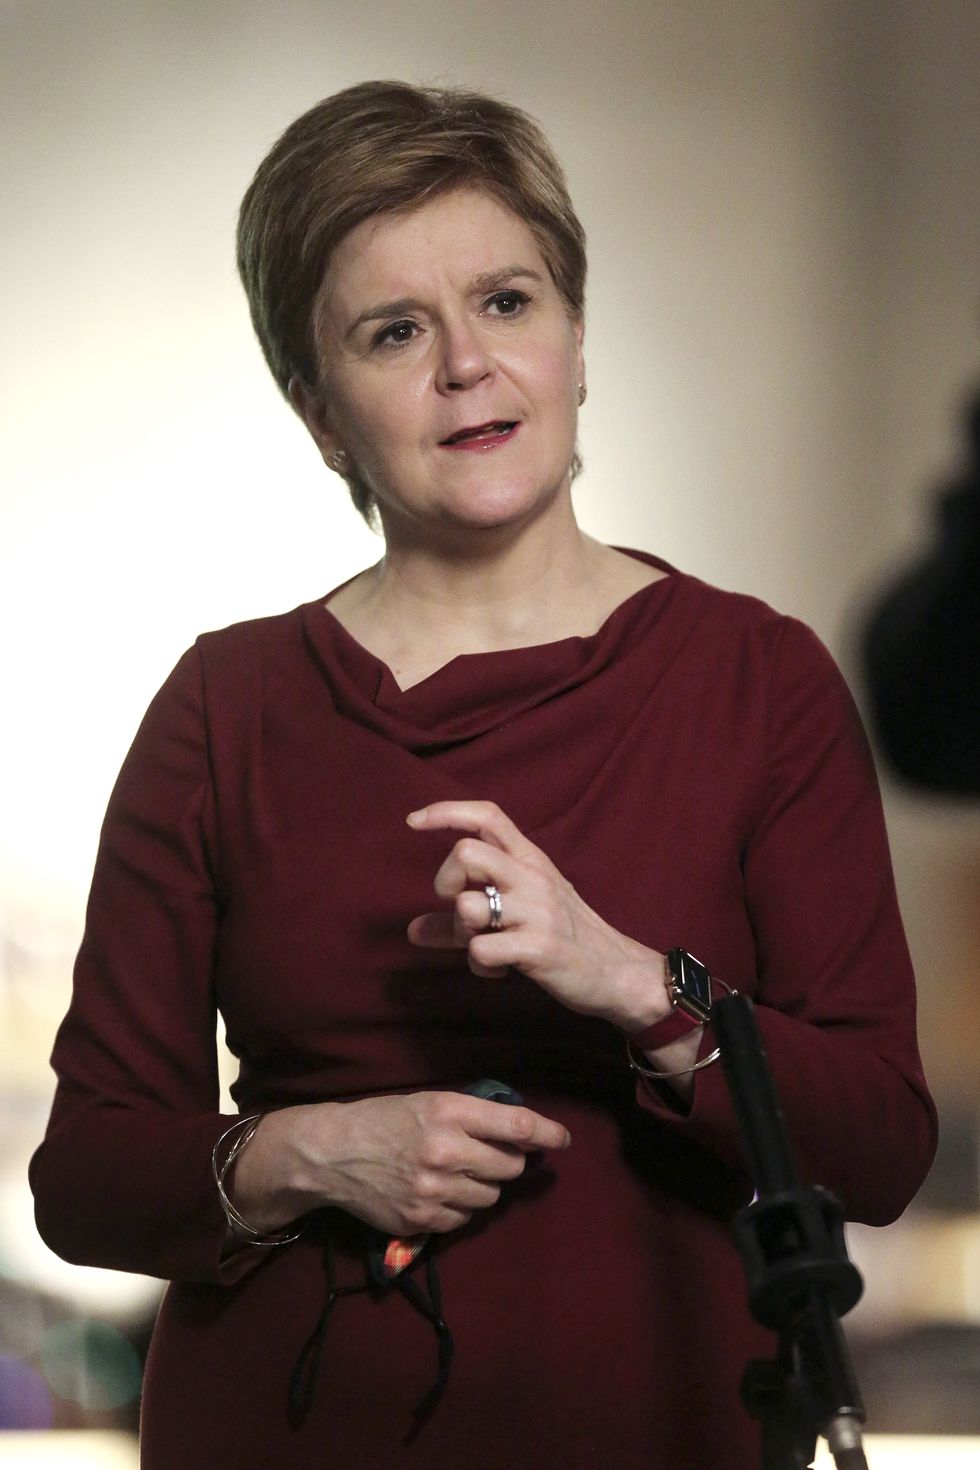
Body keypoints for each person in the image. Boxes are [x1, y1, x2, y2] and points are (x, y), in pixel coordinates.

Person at [30, 80, 937, 1469]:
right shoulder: (224, 706)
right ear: (322, 417)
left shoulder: (760, 680)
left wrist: (637, 983)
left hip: (666, 1431)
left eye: (507, 302)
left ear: (575, 341)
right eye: (395, 331)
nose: (467, 364)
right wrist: (308, 1151)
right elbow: (89, 1176)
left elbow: (879, 1146)